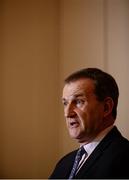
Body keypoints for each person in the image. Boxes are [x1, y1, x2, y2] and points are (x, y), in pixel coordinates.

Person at [49, 68, 129, 179]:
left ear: (106, 108)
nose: (67, 113)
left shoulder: (125, 157)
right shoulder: (64, 163)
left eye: (78, 101)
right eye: (65, 103)